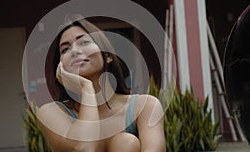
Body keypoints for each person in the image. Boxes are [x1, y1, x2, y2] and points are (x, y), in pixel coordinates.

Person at [37, 15, 166, 152]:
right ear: (60, 66)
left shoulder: (144, 106)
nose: (74, 51)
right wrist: (87, 89)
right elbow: (83, 148)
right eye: (65, 49)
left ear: (108, 55)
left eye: (84, 42)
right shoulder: (52, 112)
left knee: (125, 142)